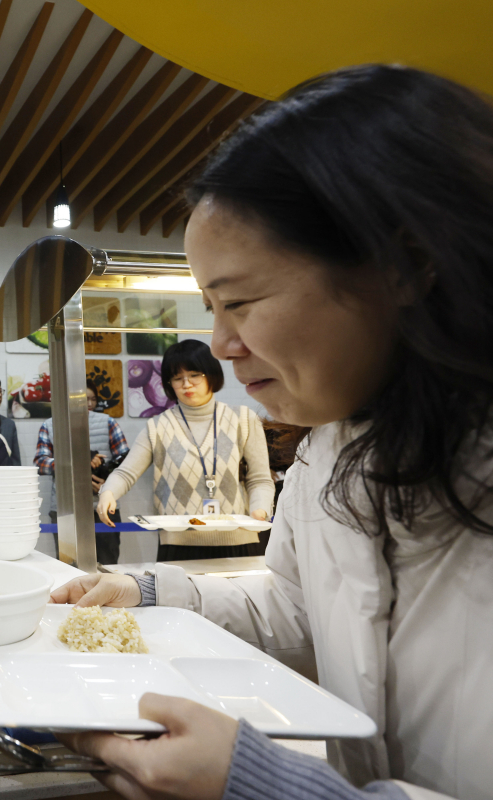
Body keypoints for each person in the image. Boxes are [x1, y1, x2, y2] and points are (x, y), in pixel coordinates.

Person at [51, 64, 493, 800]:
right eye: (210, 310)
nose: (221, 346)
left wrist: (269, 785)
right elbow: (294, 607)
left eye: (241, 302)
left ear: (409, 263)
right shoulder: (331, 451)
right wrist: (147, 591)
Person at [97, 340, 274, 561]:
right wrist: (108, 492)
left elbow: (260, 479)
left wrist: (260, 511)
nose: (187, 384)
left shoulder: (243, 419)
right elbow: (126, 473)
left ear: (211, 374)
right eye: (178, 378)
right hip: (179, 546)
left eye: (194, 375)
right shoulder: (158, 426)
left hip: (239, 542)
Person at [35, 379, 129, 564]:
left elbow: (126, 461)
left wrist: (108, 484)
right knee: (68, 564)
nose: (87, 404)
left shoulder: (108, 422)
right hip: (65, 507)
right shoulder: (50, 425)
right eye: (82, 399)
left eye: (91, 399)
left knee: (107, 563)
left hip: (102, 504)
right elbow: (41, 464)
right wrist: (77, 463)